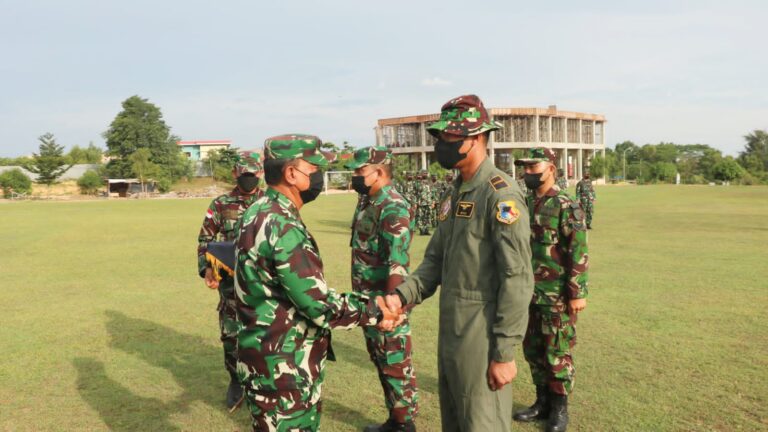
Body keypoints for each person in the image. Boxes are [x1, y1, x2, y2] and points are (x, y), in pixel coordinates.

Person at [385, 95, 534, 432]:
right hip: (452, 331)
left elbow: (518, 278)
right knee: (455, 420)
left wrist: (505, 351)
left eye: (450, 137)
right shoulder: (455, 193)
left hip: (482, 335)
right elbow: (434, 260)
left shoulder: (500, 195)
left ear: (477, 138)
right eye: (440, 137)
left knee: (483, 423)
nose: (442, 145)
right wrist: (401, 296)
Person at [234, 134, 402, 432]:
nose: (319, 177)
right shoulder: (282, 226)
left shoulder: (258, 211)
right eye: (314, 170)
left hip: (264, 359)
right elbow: (320, 306)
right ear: (291, 173)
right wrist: (376, 310)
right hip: (284, 368)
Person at [513, 147, 589, 432]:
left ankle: (559, 409)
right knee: (533, 349)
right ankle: (541, 401)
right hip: (526, 292)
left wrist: (577, 292)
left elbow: (577, 250)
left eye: (535, 168)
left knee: (557, 351)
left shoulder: (566, 205)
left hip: (555, 293)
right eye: (526, 168)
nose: (528, 173)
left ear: (551, 170)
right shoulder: (523, 202)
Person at [346, 146, 419, 432]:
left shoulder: (392, 206)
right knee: (381, 359)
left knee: (395, 361)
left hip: (386, 303)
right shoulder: (368, 200)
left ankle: (404, 424)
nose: (355, 177)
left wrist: (393, 307)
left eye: (359, 171)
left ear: (379, 172)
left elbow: (397, 263)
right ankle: (395, 419)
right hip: (369, 300)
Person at [196, 150, 264, 410]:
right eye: (243, 174)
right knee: (231, 335)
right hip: (230, 283)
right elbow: (205, 239)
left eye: (252, 173)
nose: (248, 178)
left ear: (259, 173)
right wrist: (208, 269)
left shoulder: (271, 202)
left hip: (263, 283)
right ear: (235, 173)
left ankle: (261, 383)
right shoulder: (220, 204)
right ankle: (236, 381)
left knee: (265, 333)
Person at [415, 170, 433, 235]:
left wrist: (432, 201)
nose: (425, 174)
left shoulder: (429, 182)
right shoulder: (417, 183)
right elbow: (415, 193)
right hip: (421, 203)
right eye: (424, 173)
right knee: (420, 216)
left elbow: (432, 192)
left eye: (426, 173)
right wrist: (415, 202)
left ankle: (426, 230)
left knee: (428, 216)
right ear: (421, 174)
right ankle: (421, 230)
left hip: (429, 202)